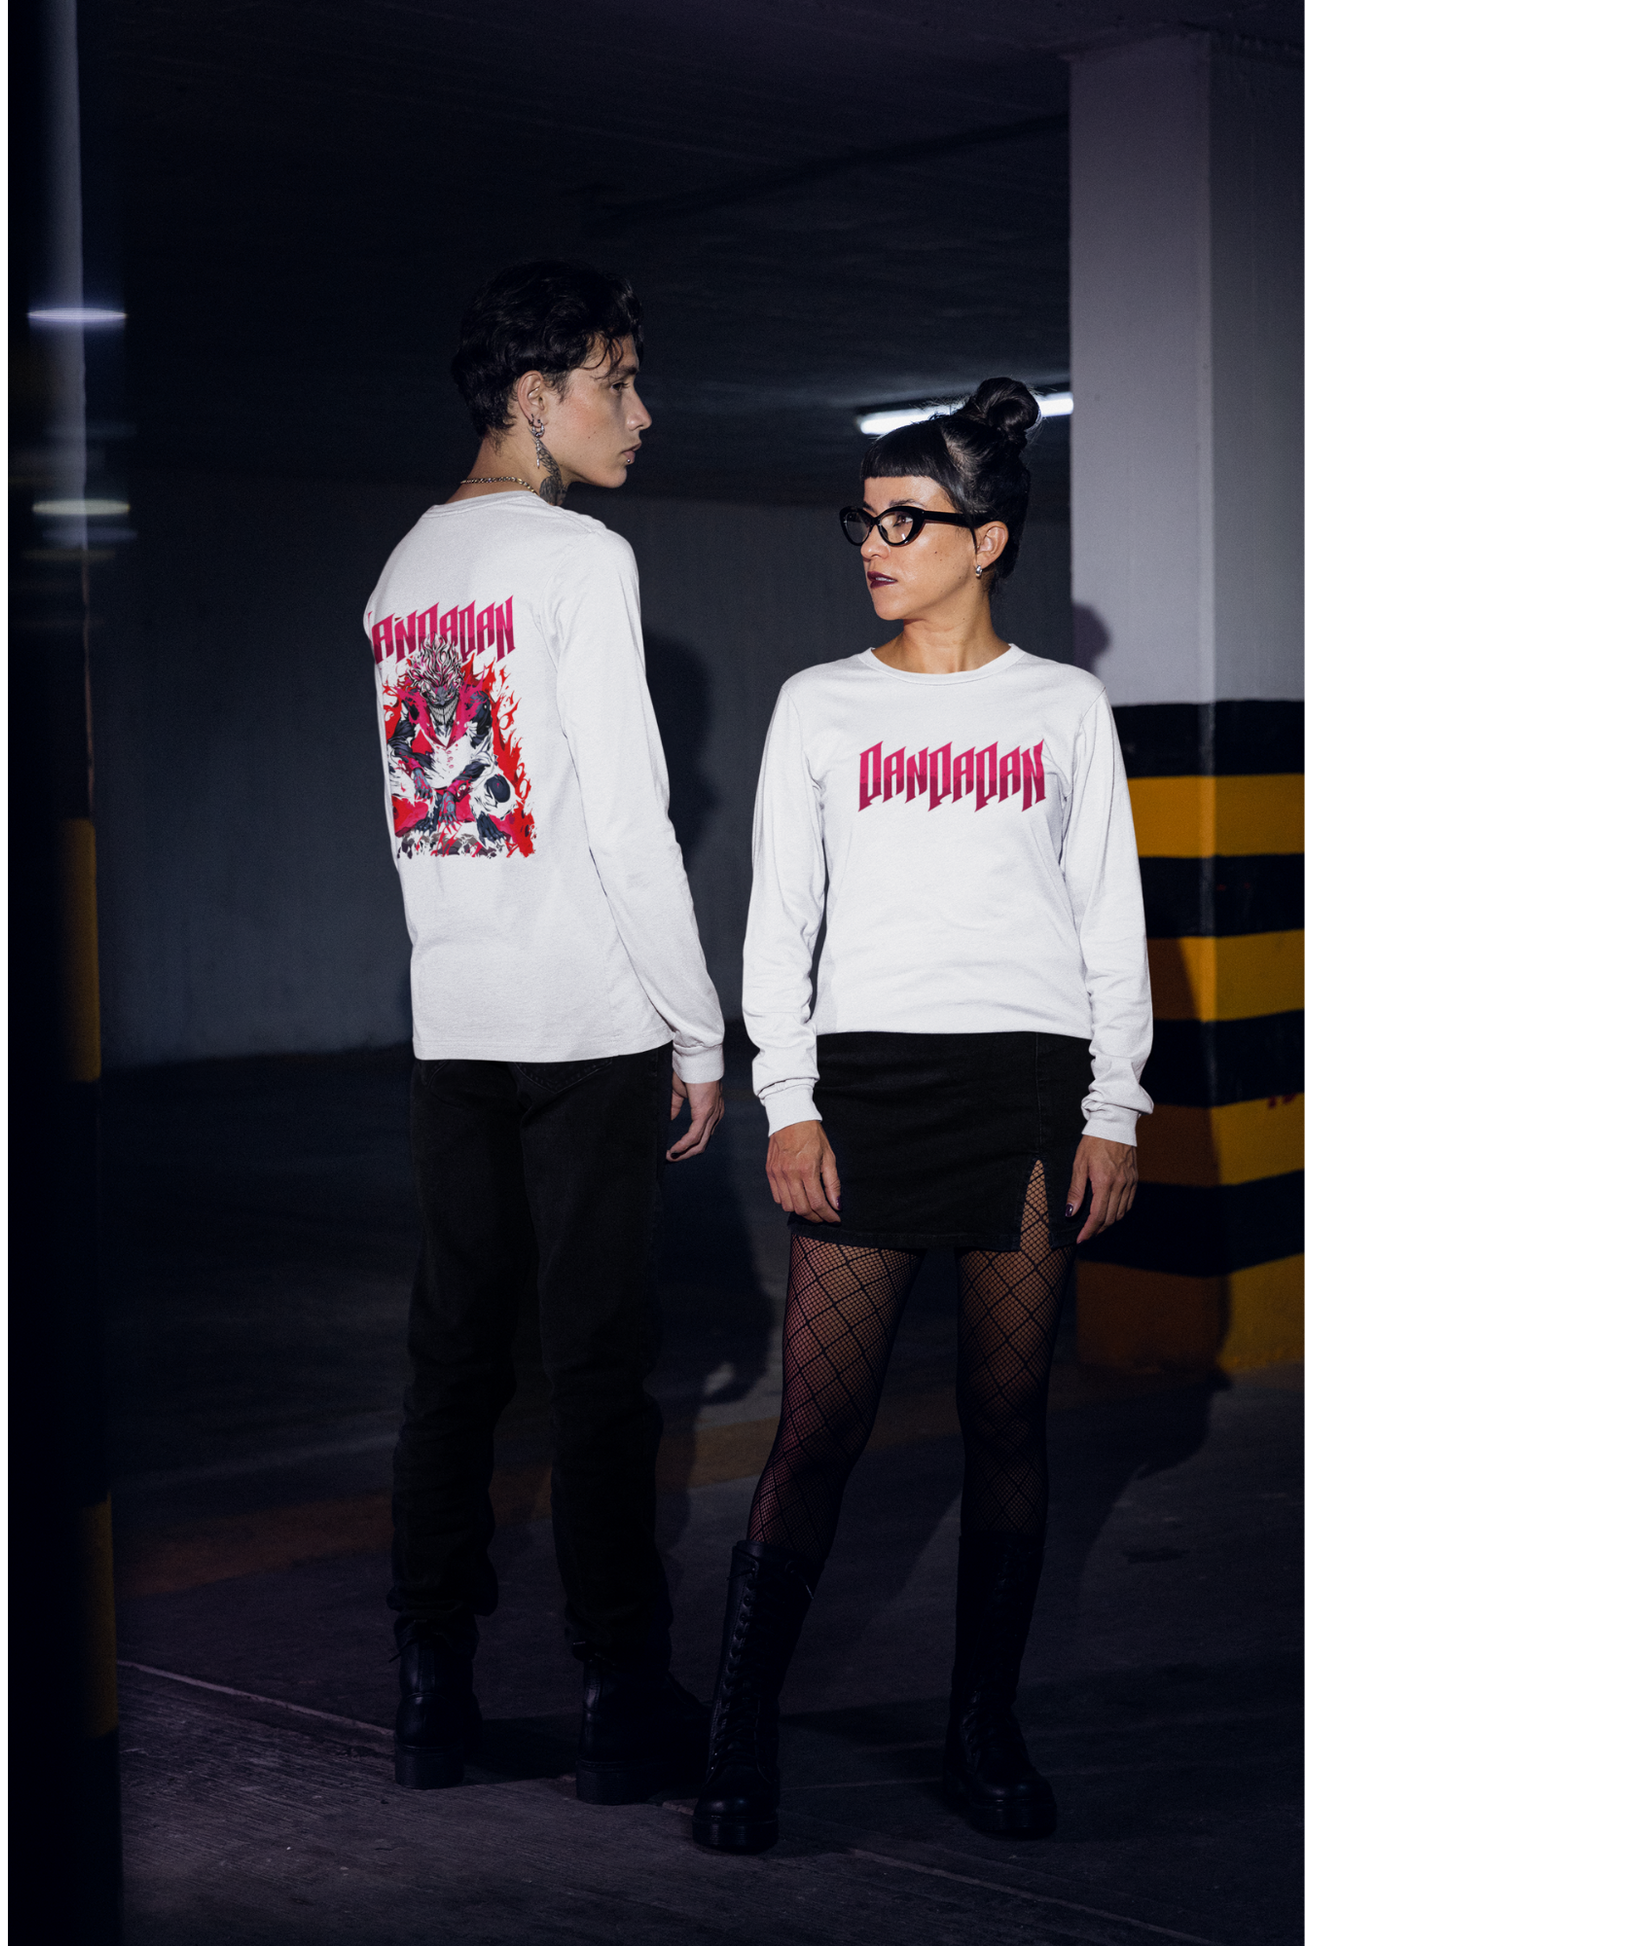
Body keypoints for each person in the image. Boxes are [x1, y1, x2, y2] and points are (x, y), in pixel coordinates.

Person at [691, 379, 1153, 1853]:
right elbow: (779, 924)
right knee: (816, 1428)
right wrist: (788, 1100)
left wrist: (1113, 1108)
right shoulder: (820, 704)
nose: (875, 547)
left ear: (987, 539)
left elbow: (1109, 922)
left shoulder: (1063, 707)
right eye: (866, 521)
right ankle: (738, 1734)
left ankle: (980, 1726)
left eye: (907, 522)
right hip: (871, 1093)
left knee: (1005, 1417)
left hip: (1027, 1091)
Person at [364, 260, 726, 1804]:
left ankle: (429, 1690)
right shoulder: (578, 559)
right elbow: (630, 825)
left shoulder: (400, 574)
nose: (640, 412)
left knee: (452, 1359)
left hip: (454, 1024)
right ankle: (620, 1692)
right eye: (616, 381)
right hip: (584, 1021)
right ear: (534, 394)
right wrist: (698, 1033)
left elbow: (424, 821)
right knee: (596, 1366)